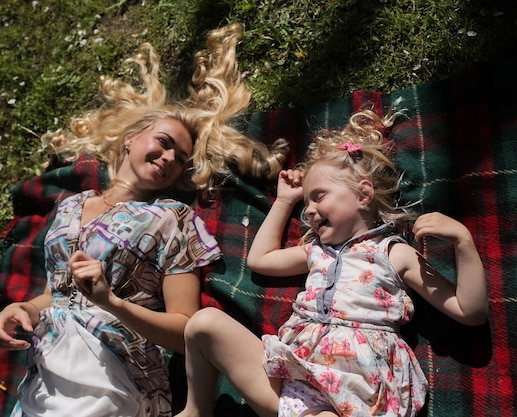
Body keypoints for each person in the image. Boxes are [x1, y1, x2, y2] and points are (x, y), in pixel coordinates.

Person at [0, 24, 288, 417]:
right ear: (131, 138)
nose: (168, 158)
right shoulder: (70, 206)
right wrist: (23, 310)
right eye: (163, 142)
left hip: (110, 373)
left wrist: (111, 302)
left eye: (180, 158)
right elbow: (58, 295)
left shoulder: (171, 219)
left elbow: (185, 331)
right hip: (42, 375)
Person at [176, 109, 489, 417]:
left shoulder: (393, 253)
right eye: (307, 201)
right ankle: (196, 410)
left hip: (357, 390)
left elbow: (469, 312)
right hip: (293, 377)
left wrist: (463, 242)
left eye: (319, 196)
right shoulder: (316, 250)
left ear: (363, 195)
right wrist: (286, 201)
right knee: (203, 324)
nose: (310, 210)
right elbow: (260, 260)